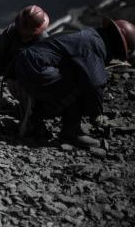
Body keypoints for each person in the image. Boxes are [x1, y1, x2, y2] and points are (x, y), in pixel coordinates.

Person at [14, 18, 135, 148]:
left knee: (75, 78)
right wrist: (97, 115)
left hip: (27, 65)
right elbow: (95, 83)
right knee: (83, 82)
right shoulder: (96, 44)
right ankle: (70, 132)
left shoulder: (91, 35)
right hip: (37, 69)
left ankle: (36, 117)